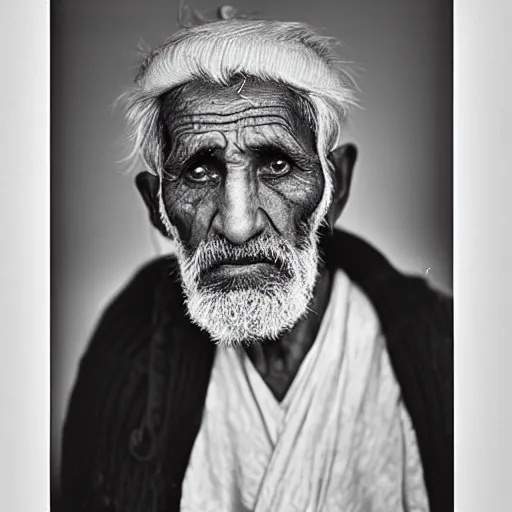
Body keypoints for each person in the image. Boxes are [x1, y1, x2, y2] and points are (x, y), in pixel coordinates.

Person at [61, 15, 453, 512]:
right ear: (157, 207)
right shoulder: (129, 345)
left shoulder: (443, 347)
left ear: (336, 187)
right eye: (199, 171)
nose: (239, 223)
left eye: (279, 164)